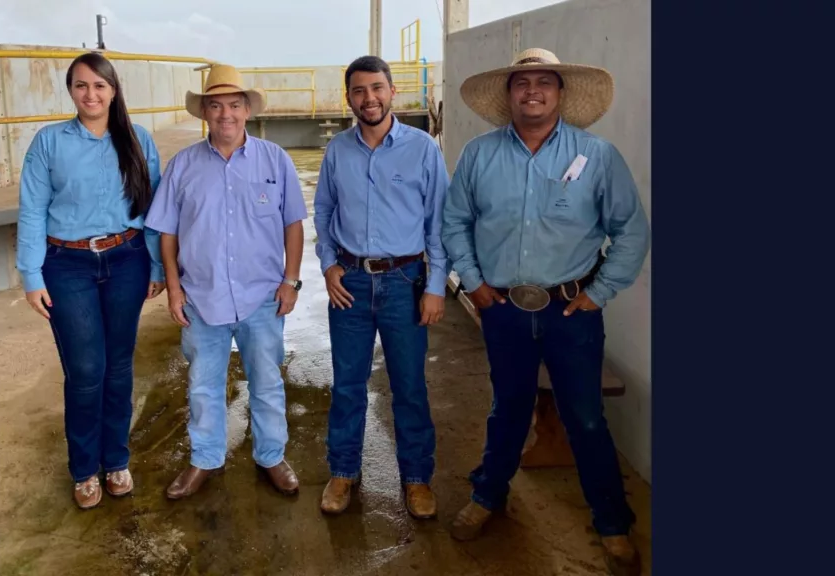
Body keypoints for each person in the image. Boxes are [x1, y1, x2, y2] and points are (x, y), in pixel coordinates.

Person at [441, 48, 650, 575]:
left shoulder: (597, 156)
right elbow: (455, 223)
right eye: (521, 83)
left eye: (543, 82)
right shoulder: (478, 155)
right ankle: (488, 496)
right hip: (504, 310)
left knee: (585, 417)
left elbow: (631, 231)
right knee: (507, 408)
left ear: (560, 93)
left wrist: (597, 294)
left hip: (571, 312)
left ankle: (612, 523)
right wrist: (475, 286)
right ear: (509, 94)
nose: (531, 91)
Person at [144, 64, 308, 499]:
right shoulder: (182, 165)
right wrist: (174, 289)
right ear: (205, 113)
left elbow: (294, 224)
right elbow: (168, 233)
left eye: (234, 105)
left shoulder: (276, 161)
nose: (225, 115)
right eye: (215, 106)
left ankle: (271, 456)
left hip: (262, 297)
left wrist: (291, 281)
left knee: (268, 380)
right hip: (202, 297)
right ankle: (204, 459)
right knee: (202, 384)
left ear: (247, 111)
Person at [16, 52, 167, 510]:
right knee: (85, 371)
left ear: (114, 90)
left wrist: (157, 266)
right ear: (70, 91)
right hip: (68, 264)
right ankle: (84, 469)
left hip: (127, 259)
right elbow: (31, 210)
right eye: (81, 86)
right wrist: (31, 274)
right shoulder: (49, 142)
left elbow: (154, 209)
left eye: (100, 86)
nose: (91, 94)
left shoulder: (138, 139)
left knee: (119, 366)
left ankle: (116, 460)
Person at [313, 55, 449, 518]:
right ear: (348, 97)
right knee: (348, 384)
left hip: (404, 282)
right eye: (358, 91)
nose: (368, 98)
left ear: (392, 91)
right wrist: (329, 265)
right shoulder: (337, 150)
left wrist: (435, 285)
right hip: (348, 284)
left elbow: (438, 223)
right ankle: (344, 471)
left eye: (376, 88)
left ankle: (416, 479)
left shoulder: (423, 148)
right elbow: (324, 213)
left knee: (409, 385)